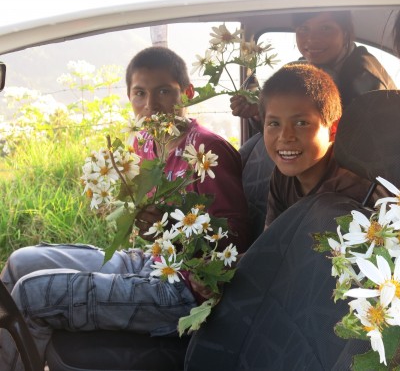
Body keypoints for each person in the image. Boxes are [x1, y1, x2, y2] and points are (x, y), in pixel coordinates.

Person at [0, 46, 251, 370]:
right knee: (22, 261)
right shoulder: (144, 143)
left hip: (186, 289)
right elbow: (151, 228)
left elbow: (236, 240)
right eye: (140, 94)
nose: (151, 105)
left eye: (164, 91)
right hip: (155, 261)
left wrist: (171, 227)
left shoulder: (206, 149)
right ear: (130, 97)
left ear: (187, 94)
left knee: (34, 293)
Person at [260, 62, 381, 228]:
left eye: (301, 123)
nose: (285, 136)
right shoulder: (282, 176)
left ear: (333, 129)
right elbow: (271, 240)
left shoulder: (359, 188)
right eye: (274, 124)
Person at [230, 10, 397, 119]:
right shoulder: (302, 67)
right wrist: (258, 112)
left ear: (345, 33)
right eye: (303, 29)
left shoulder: (365, 78)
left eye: (325, 28)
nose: (312, 39)